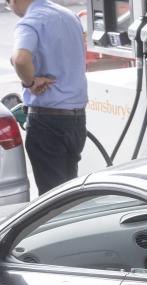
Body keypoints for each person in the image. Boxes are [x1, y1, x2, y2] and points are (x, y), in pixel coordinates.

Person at [9, 0, 88, 195]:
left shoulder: (31, 21)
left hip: (48, 121)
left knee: (52, 199)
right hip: (76, 121)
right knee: (70, 194)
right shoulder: (69, 16)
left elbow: (20, 59)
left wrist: (30, 83)